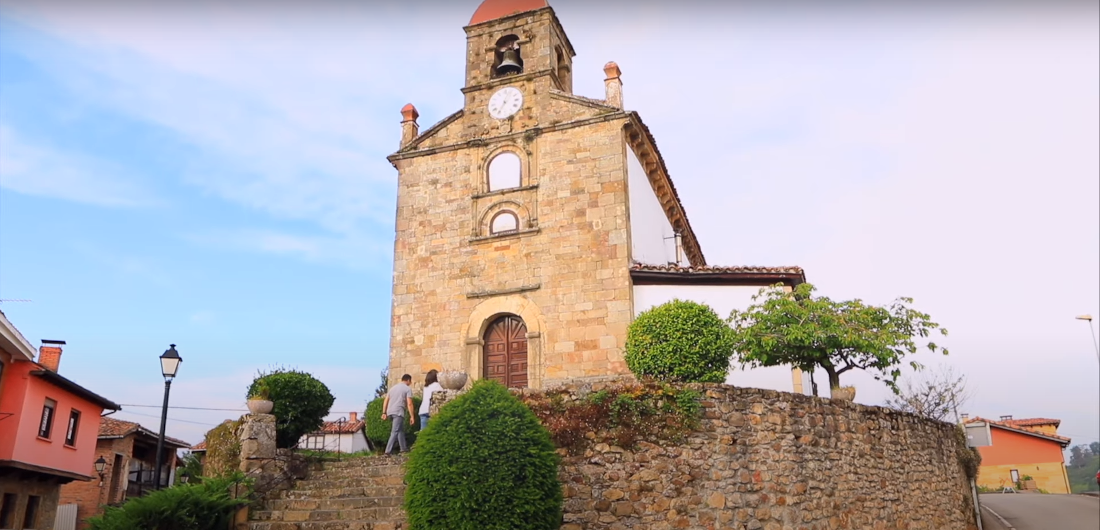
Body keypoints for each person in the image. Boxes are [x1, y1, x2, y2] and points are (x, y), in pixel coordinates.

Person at [381, 373, 415, 454]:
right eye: (410, 381)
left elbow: (386, 400)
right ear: (408, 380)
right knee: (395, 431)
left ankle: (403, 448)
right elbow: (409, 403)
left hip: (390, 411)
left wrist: (384, 412)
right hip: (398, 412)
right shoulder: (407, 389)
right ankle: (387, 451)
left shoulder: (393, 388)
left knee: (400, 430)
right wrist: (412, 416)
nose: (410, 383)